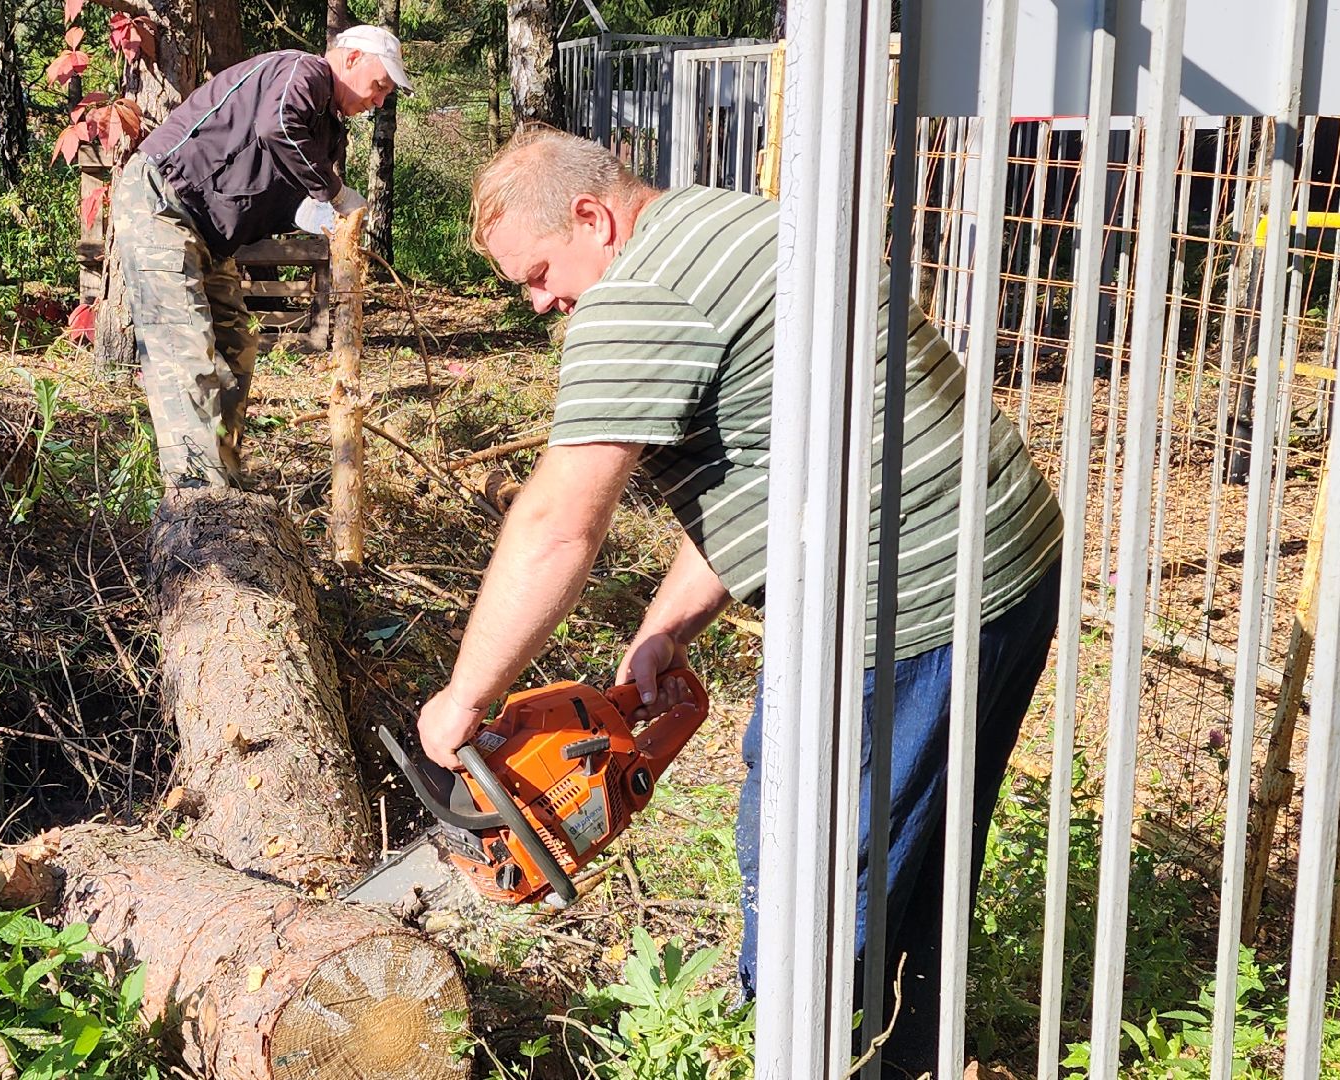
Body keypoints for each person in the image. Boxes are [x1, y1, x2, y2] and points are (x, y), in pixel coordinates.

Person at [413, 127, 1063, 1073]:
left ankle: (801, 1049)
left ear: (594, 217)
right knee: (916, 850)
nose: (542, 300)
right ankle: (910, 1051)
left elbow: (559, 525)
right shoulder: (734, 225)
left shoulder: (634, 297)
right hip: (1004, 561)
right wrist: (663, 630)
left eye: (539, 273)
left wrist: (466, 697)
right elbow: (778, 474)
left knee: (807, 861)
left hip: (908, 600)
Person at [116, 26, 410, 485]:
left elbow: (285, 184)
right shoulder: (304, 72)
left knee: (236, 346)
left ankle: (224, 478)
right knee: (184, 351)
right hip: (162, 203)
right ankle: (195, 494)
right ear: (351, 58)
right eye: (379, 86)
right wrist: (335, 192)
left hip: (209, 235)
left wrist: (318, 214)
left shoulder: (328, 129)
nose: (378, 101)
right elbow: (277, 127)